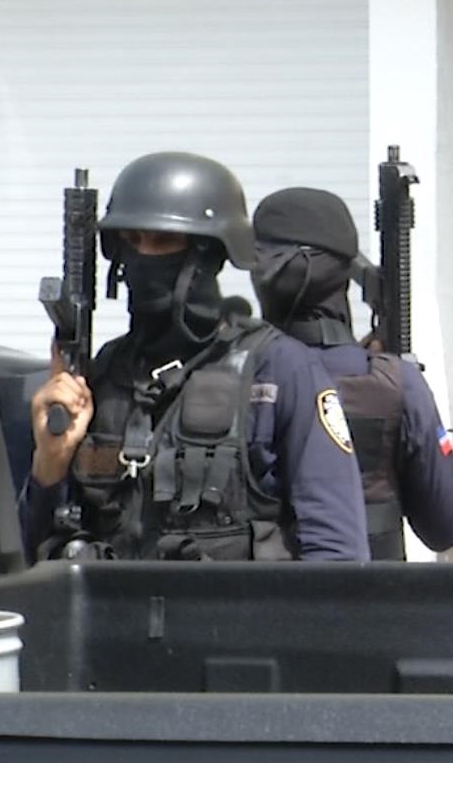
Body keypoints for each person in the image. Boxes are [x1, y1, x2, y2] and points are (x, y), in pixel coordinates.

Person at [23, 152, 371, 562]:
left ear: (208, 253)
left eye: (163, 241)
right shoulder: (106, 373)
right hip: (112, 603)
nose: (144, 256)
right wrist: (50, 461)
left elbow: (338, 553)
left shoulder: (279, 370)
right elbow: (30, 551)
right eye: (131, 241)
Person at [250, 186, 453, 560]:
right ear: (345, 273)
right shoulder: (395, 383)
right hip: (375, 592)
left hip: (252, 593)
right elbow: (446, 525)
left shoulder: (235, 375)